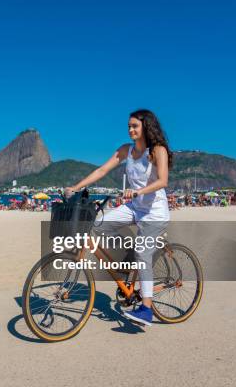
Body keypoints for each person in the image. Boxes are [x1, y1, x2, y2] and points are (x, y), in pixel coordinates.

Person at [65, 109, 172, 327]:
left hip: (155, 211)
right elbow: (102, 170)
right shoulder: (126, 150)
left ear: (146, 127)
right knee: (97, 226)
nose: (131, 130)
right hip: (135, 207)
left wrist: (138, 192)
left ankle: (146, 309)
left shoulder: (157, 150)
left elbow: (163, 181)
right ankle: (128, 266)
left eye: (135, 126)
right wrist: (76, 187)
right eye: (129, 126)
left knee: (143, 253)